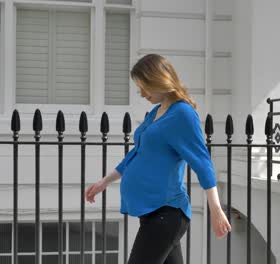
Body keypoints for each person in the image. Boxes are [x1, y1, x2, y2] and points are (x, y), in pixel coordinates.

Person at [84, 54, 231, 264]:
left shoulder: (182, 114)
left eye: (145, 87)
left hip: (167, 213)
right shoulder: (156, 112)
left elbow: (202, 162)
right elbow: (137, 153)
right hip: (153, 212)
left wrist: (216, 210)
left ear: (159, 80)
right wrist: (104, 182)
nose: (142, 94)